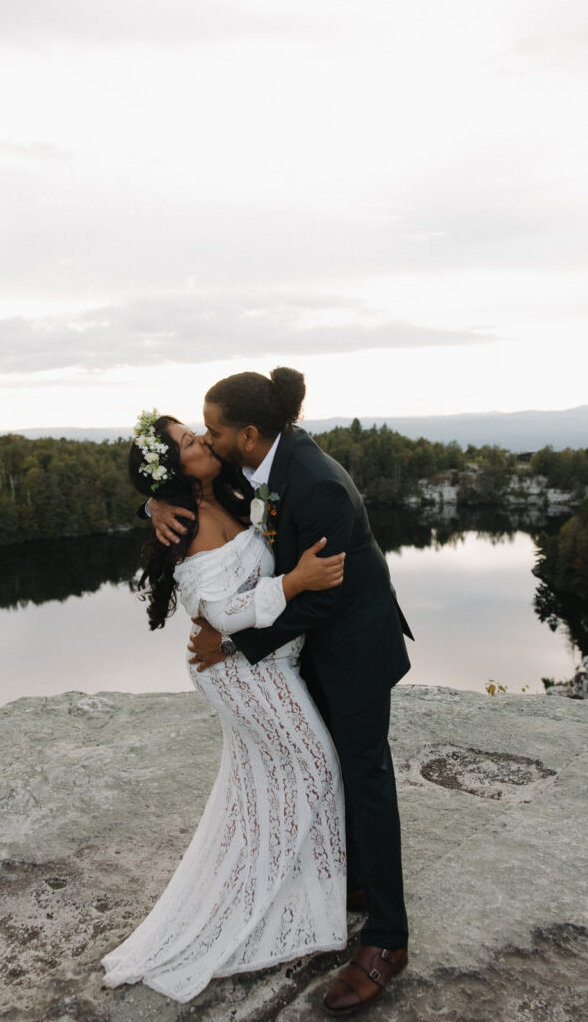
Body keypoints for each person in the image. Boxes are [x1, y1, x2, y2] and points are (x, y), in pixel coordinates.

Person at [148, 367, 415, 1017]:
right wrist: (154, 500)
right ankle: (352, 886)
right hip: (310, 652)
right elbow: (195, 486)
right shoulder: (258, 463)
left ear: (246, 433)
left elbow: (327, 596)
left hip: (351, 646)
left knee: (363, 776)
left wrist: (233, 644)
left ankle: (387, 940)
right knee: (333, 767)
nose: (204, 441)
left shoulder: (316, 485)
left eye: (210, 431)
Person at [101, 410, 348, 1003]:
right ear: (173, 471)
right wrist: (296, 581)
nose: (203, 441)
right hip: (238, 670)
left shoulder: (229, 487)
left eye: (197, 432)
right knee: (315, 766)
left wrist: (152, 501)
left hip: (265, 663)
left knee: (258, 785)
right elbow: (222, 614)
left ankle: (294, 898)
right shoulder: (185, 521)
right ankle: (272, 910)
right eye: (189, 442)